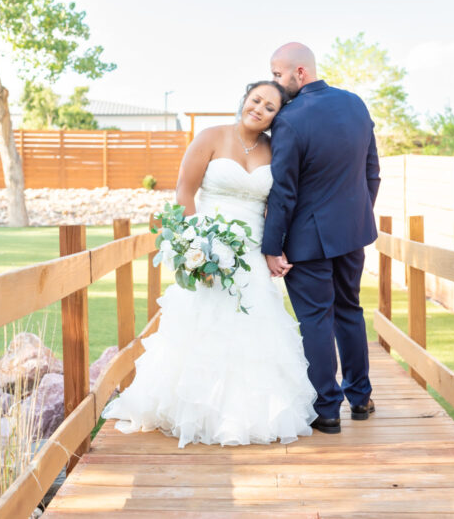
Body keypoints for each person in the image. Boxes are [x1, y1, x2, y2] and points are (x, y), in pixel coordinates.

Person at [101, 81, 317, 448]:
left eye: (270, 107)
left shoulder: (275, 149)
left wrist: (272, 249)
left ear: (277, 116)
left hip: (250, 251)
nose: (259, 109)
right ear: (244, 100)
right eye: (256, 100)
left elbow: (278, 203)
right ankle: (192, 410)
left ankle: (245, 415)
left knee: (254, 329)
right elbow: (185, 190)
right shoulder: (211, 137)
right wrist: (193, 246)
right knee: (202, 325)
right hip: (208, 245)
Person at [263, 42, 380, 434]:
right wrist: (357, 214)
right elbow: (371, 171)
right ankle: (360, 398)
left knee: (315, 319)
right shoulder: (355, 104)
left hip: (306, 241)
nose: (275, 82)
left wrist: (271, 245)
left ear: (300, 73)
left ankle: (327, 409)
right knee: (350, 311)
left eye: (278, 74)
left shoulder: (290, 119)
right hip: (352, 234)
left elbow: (284, 191)